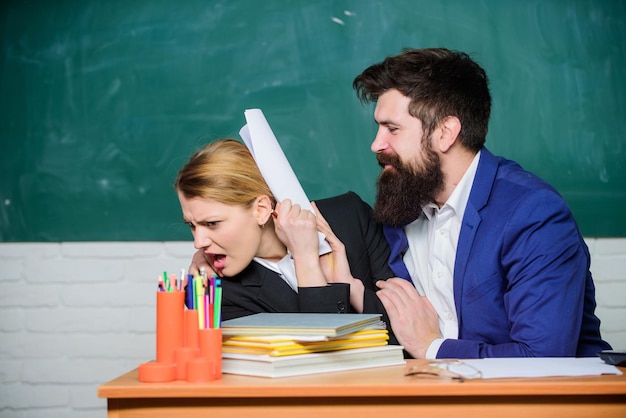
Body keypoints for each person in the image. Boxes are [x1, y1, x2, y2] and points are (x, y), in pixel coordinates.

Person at [352, 47, 612, 359]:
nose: (376, 144)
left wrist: (432, 348)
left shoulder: (534, 214)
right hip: (432, 396)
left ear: (445, 133)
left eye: (392, 129)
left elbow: (545, 358)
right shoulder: (402, 207)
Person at [176, 138, 395, 329]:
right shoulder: (220, 295)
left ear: (261, 210)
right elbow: (321, 362)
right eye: (192, 225)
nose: (198, 242)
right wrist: (306, 260)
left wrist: (352, 287)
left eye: (212, 223)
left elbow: (405, 334)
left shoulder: (350, 217)